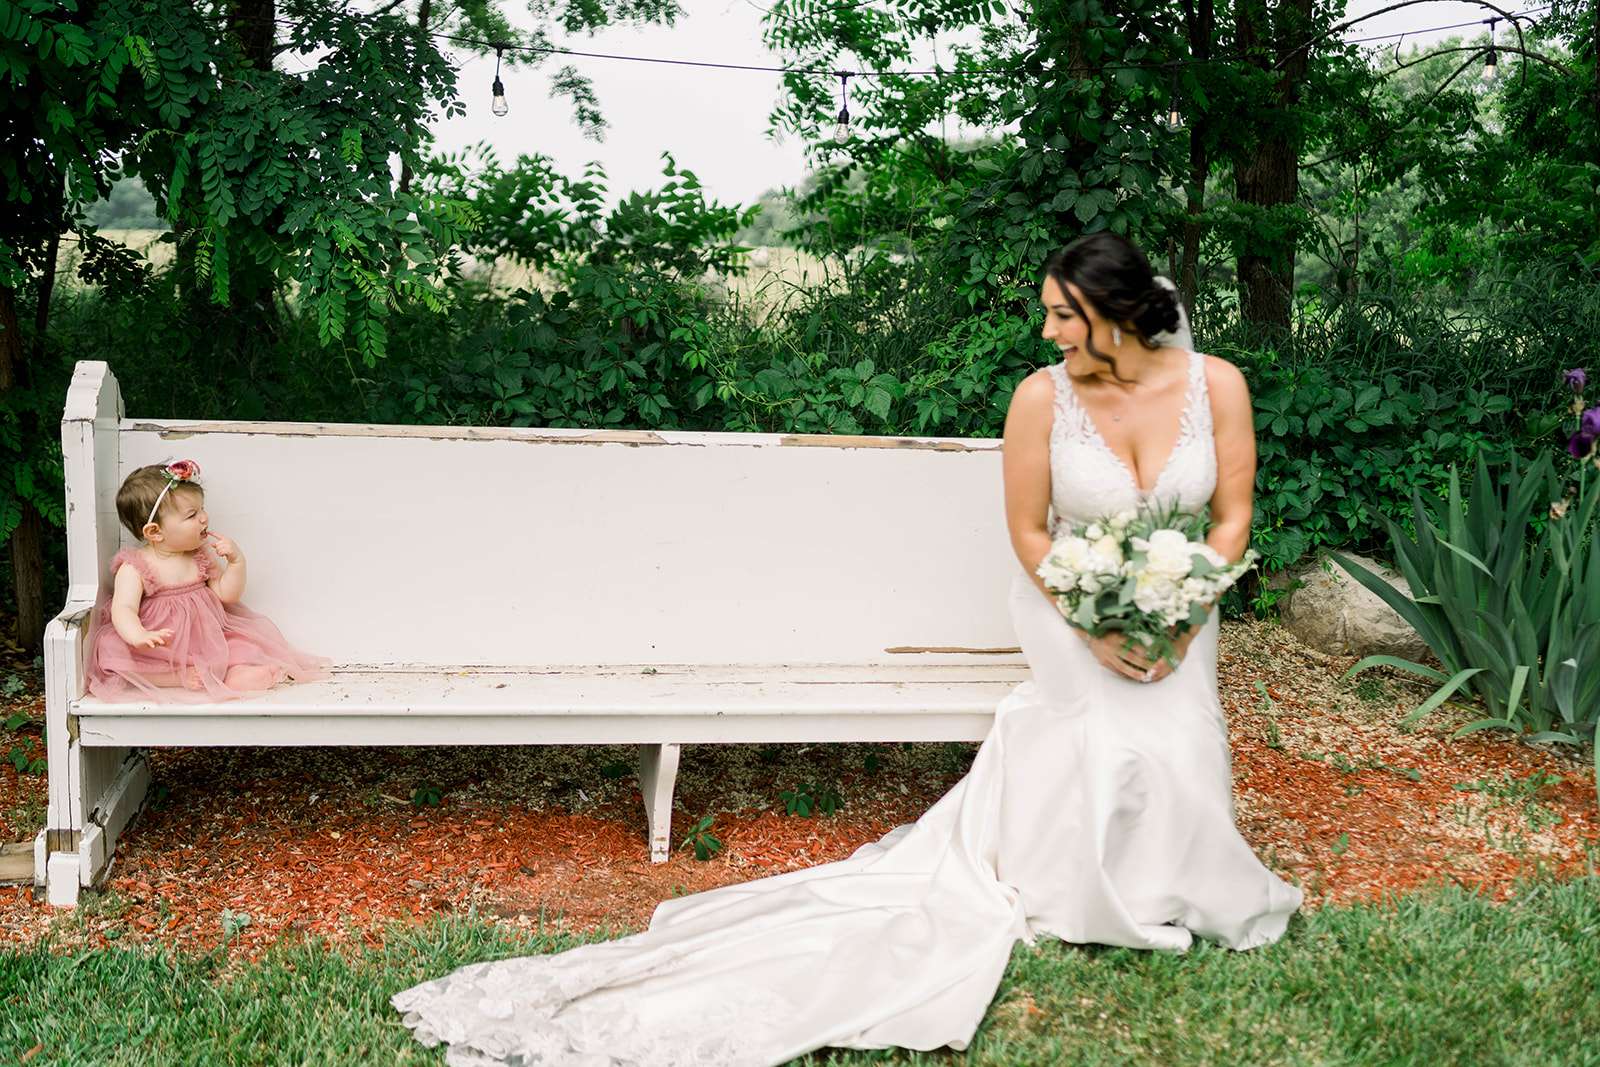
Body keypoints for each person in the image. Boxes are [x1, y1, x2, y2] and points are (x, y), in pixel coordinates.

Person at [391, 233, 1303, 1066]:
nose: (1048, 326)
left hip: (1184, 601)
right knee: (1110, 723)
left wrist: (1179, 613)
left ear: (1117, 316)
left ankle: (1176, 879)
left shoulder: (1215, 386)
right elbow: (1030, 532)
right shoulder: (1041, 398)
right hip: (1068, 601)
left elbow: (1231, 518)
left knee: (1177, 732)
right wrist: (1099, 621)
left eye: (1064, 313)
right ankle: (1084, 888)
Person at [84, 460, 330, 702]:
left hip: (206, 642)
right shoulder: (135, 566)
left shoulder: (199, 556)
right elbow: (123, 608)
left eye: (202, 509)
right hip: (160, 644)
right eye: (192, 515)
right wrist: (137, 634)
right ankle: (171, 677)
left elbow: (226, 594)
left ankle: (236, 674)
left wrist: (236, 563)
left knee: (242, 648)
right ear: (155, 532)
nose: (204, 518)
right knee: (111, 649)